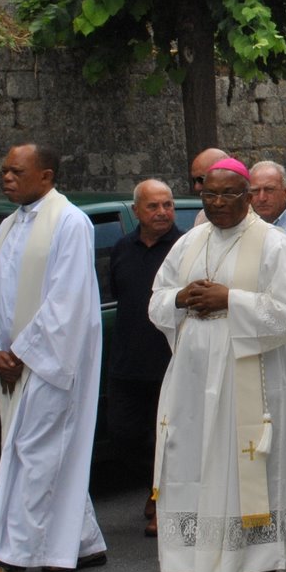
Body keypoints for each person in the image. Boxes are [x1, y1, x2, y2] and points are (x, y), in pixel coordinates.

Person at [148, 158, 286, 572]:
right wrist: (180, 298)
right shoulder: (189, 241)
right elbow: (158, 297)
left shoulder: (275, 245)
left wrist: (229, 300)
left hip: (250, 375)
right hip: (195, 378)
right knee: (195, 466)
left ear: (248, 196)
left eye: (227, 195)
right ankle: (200, 569)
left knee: (245, 474)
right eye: (209, 195)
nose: (217, 203)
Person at [0, 144, 107, 572]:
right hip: (12, 362)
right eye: (3, 170)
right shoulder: (7, 227)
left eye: (16, 171)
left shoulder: (69, 223)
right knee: (41, 453)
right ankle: (83, 542)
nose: (6, 177)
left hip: (49, 362)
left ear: (45, 176)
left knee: (32, 455)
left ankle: (11, 559)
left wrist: (21, 354)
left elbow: (69, 301)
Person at [108, 178, 182, 539]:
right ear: (137, 210)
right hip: (128, 363)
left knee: (167, 440)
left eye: (167, 205)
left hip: (169, 362)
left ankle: (162, 500)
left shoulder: (184, 247)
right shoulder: (122, 248)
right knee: (123, 434)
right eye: (153, 206)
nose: (162, 212)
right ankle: (153, 490)